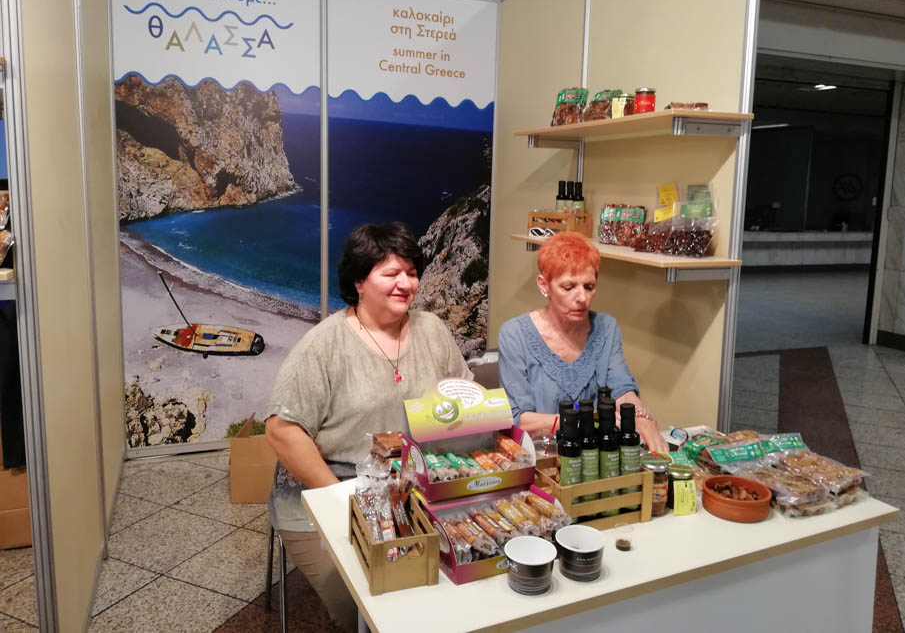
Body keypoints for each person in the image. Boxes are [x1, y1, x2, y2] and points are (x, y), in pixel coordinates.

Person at [264, 222, 471, 633]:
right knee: (361, 598)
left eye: (411, 273)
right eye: (391, 273)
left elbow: (462, 395)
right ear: (359, 281)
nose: (405, 284)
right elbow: (281, 430)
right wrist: (340, 496)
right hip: (328, 488)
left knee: (458, 566)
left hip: (414, 482)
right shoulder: (324, 345)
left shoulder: (432, 330)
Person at [498, 231, 666, 453]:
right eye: (568, 287)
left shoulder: (606, 328)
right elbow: (519, 419)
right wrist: (584, 421)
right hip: (539, 457)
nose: (582, 298)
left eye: (589, 286)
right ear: (544, 285)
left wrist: (640, 416)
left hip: (593, 455)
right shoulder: (514, 334)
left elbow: (622, 390)